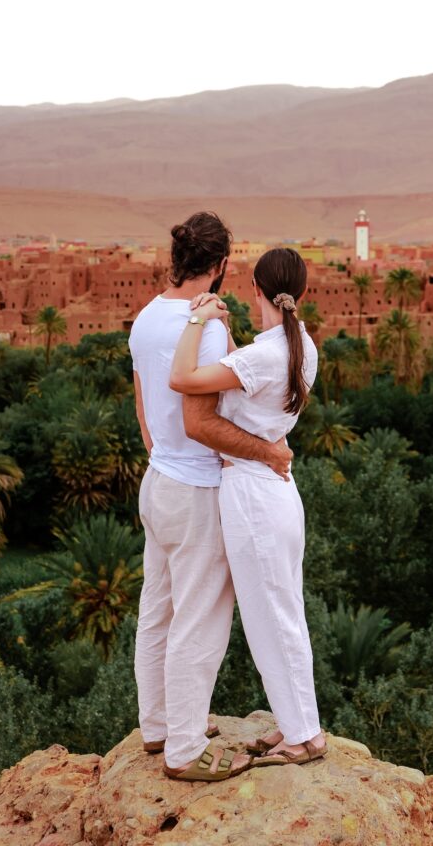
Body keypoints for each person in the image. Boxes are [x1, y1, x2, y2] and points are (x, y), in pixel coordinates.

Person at [129, 212, 293, 783]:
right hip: (196, 490)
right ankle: (184, 749)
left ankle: (158, 728)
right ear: (222, 265)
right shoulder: (210, 328)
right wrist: (266, 452)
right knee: (199, 619)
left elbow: (145, 407)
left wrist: (161, 454)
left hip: (158, 483)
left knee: (159, 610)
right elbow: (201, 423)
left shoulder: (148, 316)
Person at [170, 246, 327, 766]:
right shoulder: (301, 346)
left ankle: (304, 736)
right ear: (299, 293)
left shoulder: (264, 356)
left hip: (255, 495)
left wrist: (197, 320)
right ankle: (295, 725)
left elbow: (183, 380)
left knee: (271, 618)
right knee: (281, 614)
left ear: (255, 289)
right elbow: (253, 379)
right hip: (276, 492)